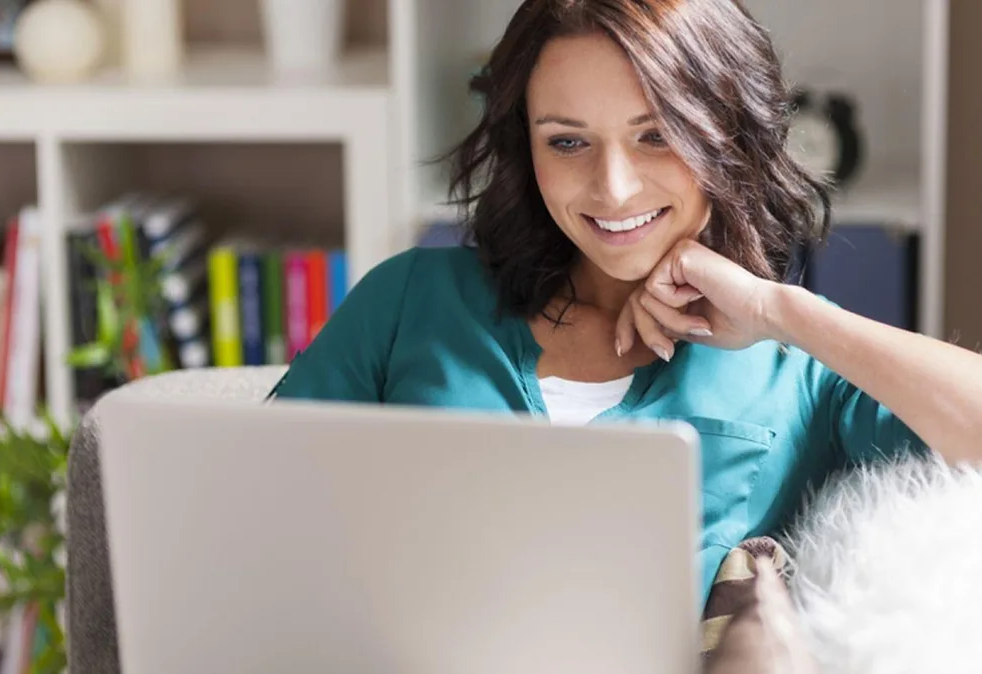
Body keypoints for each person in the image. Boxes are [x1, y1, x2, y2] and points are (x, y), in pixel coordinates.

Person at [271, 0, 982, 610]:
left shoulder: (798, 371)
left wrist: (779, 310)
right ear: (527, 147)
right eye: (568, 141)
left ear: (728, 135)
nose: (611, 188)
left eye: (656, 136)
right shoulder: (409, 299)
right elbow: (253, 508)